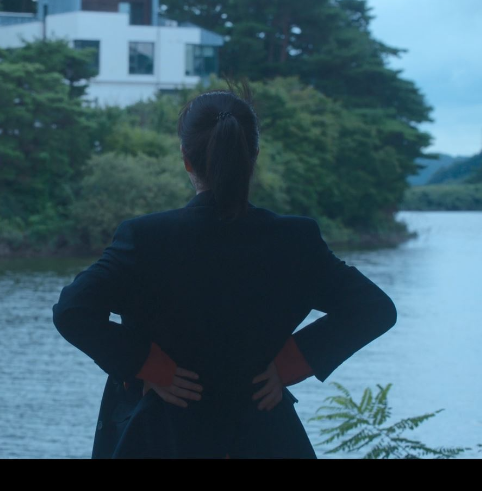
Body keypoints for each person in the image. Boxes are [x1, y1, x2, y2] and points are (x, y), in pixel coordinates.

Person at [52, 88, 397, 458]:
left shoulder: (145, 239)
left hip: (162, 438)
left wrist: (149, 366)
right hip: (265, 437)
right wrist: (287, 365)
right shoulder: (296, 240)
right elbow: (373, 309)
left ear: (186, 159)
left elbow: (72, 311)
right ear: (253, 156)